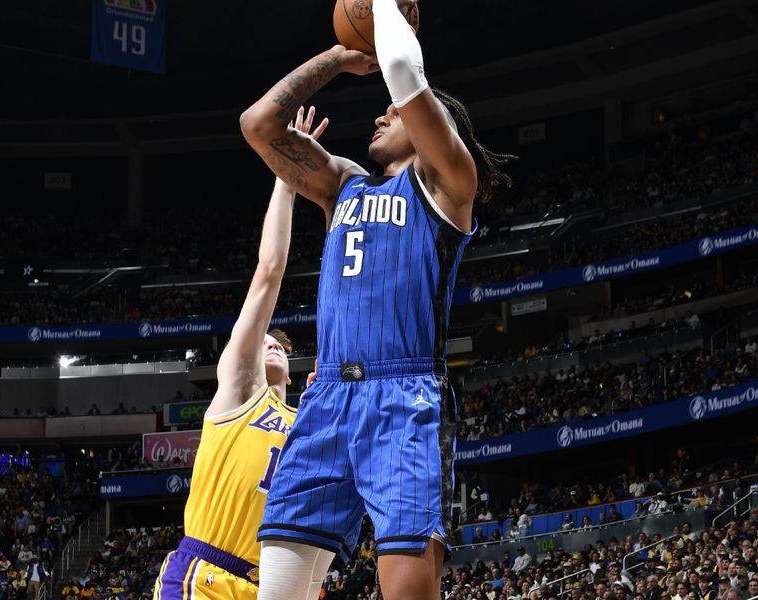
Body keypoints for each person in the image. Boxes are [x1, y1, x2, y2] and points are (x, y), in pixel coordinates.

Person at [239, 1, 513, 599]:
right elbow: (257, 124)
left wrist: (383, 6)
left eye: (398, 112)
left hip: (404, 399)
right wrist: (337, 58)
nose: (382, 115)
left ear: (436, 127)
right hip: (327, 396)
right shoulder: (342, 184)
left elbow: (400, 67)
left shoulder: (448, 185)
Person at [152, 109, 328, 600]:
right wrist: (289, 178)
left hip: (272, 585)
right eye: (263, 339)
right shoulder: (236, 392)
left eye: (280, 341)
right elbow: (270, 270)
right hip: (206, 573)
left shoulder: (302, 421)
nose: (270, 341)